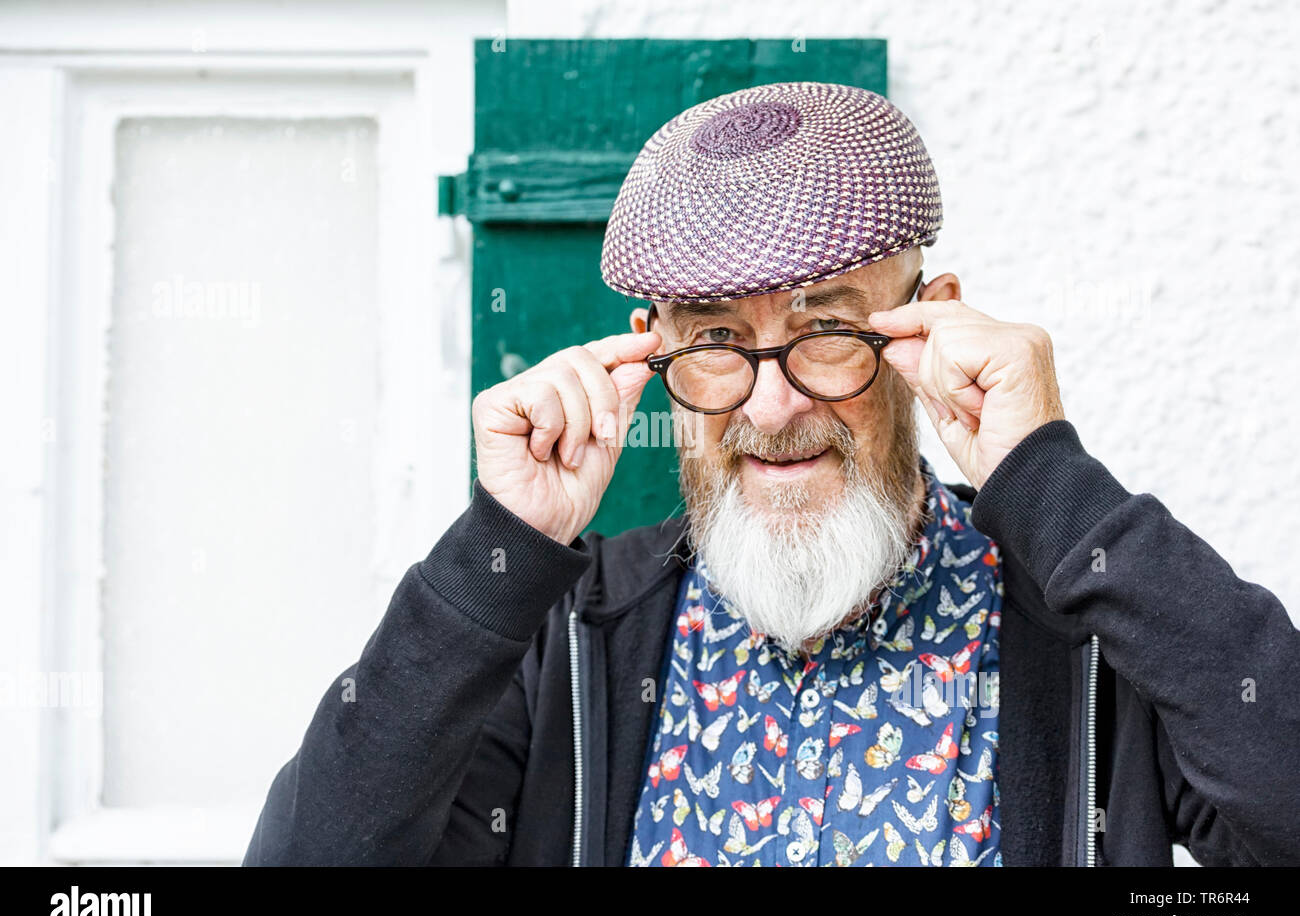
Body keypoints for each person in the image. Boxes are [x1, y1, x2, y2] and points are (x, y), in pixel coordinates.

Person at [244, 82, 1299, 867]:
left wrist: (1050, 481)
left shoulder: (1078, 624)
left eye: (826, 326)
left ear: (927, 319)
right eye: (714, 339)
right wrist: (498, 551)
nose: (771, 404)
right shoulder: (566, 635)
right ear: (650, 354)